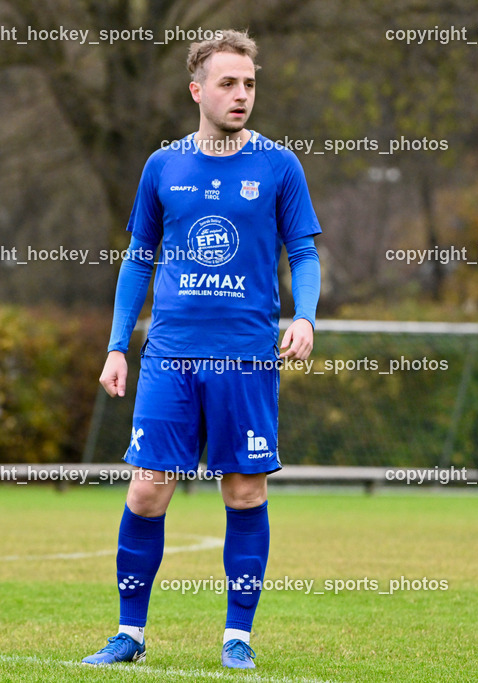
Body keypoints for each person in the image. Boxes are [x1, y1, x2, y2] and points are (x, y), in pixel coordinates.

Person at [81, 30, 322, 670]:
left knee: (243, 493)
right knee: (147, 492)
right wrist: (116, 348)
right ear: (197, 90)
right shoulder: (163, 167)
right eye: (227, 83)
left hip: (245, 356)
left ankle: (237, 637)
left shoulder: (278, 166)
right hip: (170, 356)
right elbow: (139, 259)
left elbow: (303, 252)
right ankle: (129, 632)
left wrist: (305, 316)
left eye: (248, 83)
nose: (240, 94)